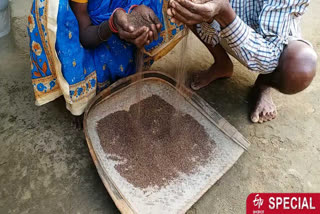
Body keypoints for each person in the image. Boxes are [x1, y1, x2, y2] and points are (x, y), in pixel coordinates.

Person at [167, 0, 317, 123]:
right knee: (185, 5)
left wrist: (223, 12)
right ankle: (222, 64)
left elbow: (269, 55)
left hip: (270, 39)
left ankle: (264, 84)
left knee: (299, 67)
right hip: (224, 11)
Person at [28, 0, 184, 115]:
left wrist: (139, 8)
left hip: (118, 13)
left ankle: (118, 71)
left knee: (179, 6)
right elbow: (85, 36)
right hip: (81, 24)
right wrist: (112, 23)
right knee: (53, 11)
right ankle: (79, 95)